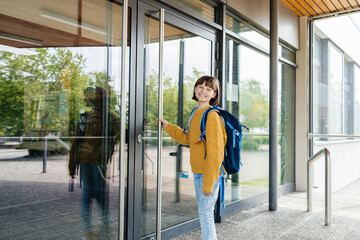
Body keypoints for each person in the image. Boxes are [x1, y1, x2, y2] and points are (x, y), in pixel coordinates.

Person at [158, 75, 226, 240]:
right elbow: (187, 137)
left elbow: (216, 153)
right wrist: (168, 126)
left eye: (208, 89)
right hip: (199, 171)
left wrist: (208, 183)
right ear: (195, 89)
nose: (203, 91)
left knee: (205, 213)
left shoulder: (212, 116)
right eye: (200, 87)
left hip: (209, 173)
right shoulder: (196, 112)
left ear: (214, 95)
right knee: (204, 212)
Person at [69, 86, 120, 240]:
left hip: (97, 162)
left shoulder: (110, 118)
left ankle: (102, 227)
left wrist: (105, 151)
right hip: (86, 161)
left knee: (98, 194)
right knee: (89, 195)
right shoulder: (85, 117)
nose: (86, 99)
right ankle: (90, 230)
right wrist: (72, 164)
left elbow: (117, 136)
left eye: (89, 96)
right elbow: (76, 142)